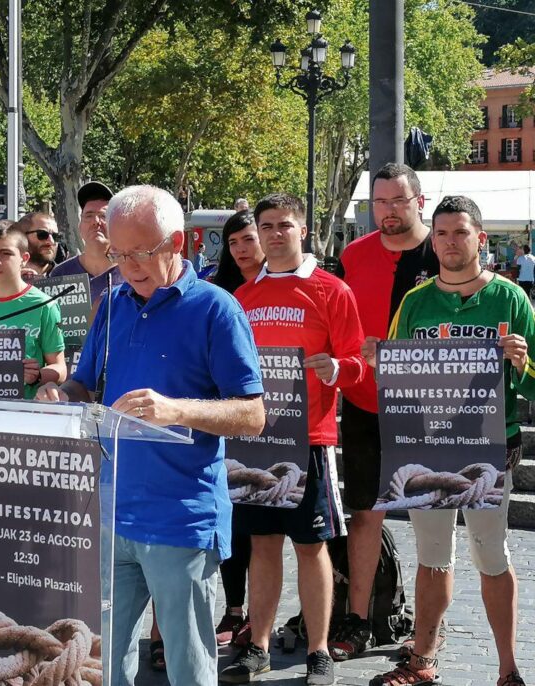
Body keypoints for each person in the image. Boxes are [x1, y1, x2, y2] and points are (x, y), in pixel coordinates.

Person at [37, 185, 265, 686]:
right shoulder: (114, 304)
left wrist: (176, 409)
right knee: (104, 660)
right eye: (117, 254)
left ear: (177, 242)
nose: (128, 267)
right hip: (110, 510)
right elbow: (83, 381)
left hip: (180, 518)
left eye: (140, 253)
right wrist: (62, 395)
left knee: (189, 664)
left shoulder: (216, 309)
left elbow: (253, 414)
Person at [365, 195, 531, 686]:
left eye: (460, 232)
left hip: (490, 448)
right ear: (431, 240)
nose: (450, 242)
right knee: (433, 556)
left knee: (492, 555)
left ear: (480, 238)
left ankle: (508, 668)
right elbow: (389, 380)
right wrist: (378, 362)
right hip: (427, 446)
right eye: (441, 233)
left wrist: (523, 364)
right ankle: (423, 659)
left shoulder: (511, 300)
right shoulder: (414, 303)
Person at [220, 193, 365, 686]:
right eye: (267, 226)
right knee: (262, 545)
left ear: (303, 230)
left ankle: (319, 651)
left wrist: (337, 367)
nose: (275, 233)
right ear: (257, 234)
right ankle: (257, 645)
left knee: (310, 546)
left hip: (310, 441)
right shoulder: (242, 297)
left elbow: (357, 363)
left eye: (285, 225)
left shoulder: (331, 290)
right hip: (256, 441)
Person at [330, 163, 439, 662]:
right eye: (380, 202)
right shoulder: (353, 255)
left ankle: (428, 634)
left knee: (431, 522)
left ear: (420, 200)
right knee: (364, 515)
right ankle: (357, 618)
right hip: (364, 402)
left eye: (398, 200)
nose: (389, 211)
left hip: (427, 405)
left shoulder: (442, 251)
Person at [210, 209, 265, 648]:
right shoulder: (217, 292)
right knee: (236, 517)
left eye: (248, 239)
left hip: (283, 416)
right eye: (234, 243)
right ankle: (233, 608)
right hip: (230, 414)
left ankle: (269, 617)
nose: (242, 249)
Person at [0, 220, 66, 398]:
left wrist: (38, 375)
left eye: (6, 253)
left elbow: (60, 368)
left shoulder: (45, 305)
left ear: (24, 259)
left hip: (25, 411)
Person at [49, 181, 122, 301]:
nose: (95, 221)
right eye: (89, 215)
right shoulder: (60, 274)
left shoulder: (130, 271)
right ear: (80, 226)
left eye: (103, 216)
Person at [14, 212, 59, 277]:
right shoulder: (2, 276)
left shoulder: (68, 276)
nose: (51, 241)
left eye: (56, 236)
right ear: (22, 236)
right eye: (42, 234)